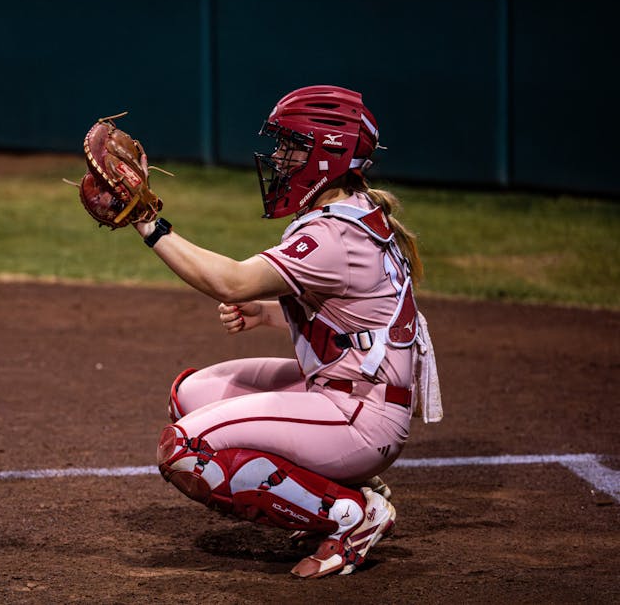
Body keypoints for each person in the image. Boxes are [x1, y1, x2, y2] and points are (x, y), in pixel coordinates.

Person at [132, 85, 438, 578]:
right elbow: (353, 317)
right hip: (350, 390)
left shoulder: (333, 234)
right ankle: (340, 489)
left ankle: (350, 515)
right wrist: (269, 313)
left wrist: (148, 224)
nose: (278, 154)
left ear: (327, 153)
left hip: (360, 415)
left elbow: (227, 280)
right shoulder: (357, 212)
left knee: (185, 450)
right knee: (190, 395)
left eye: (292, 143)